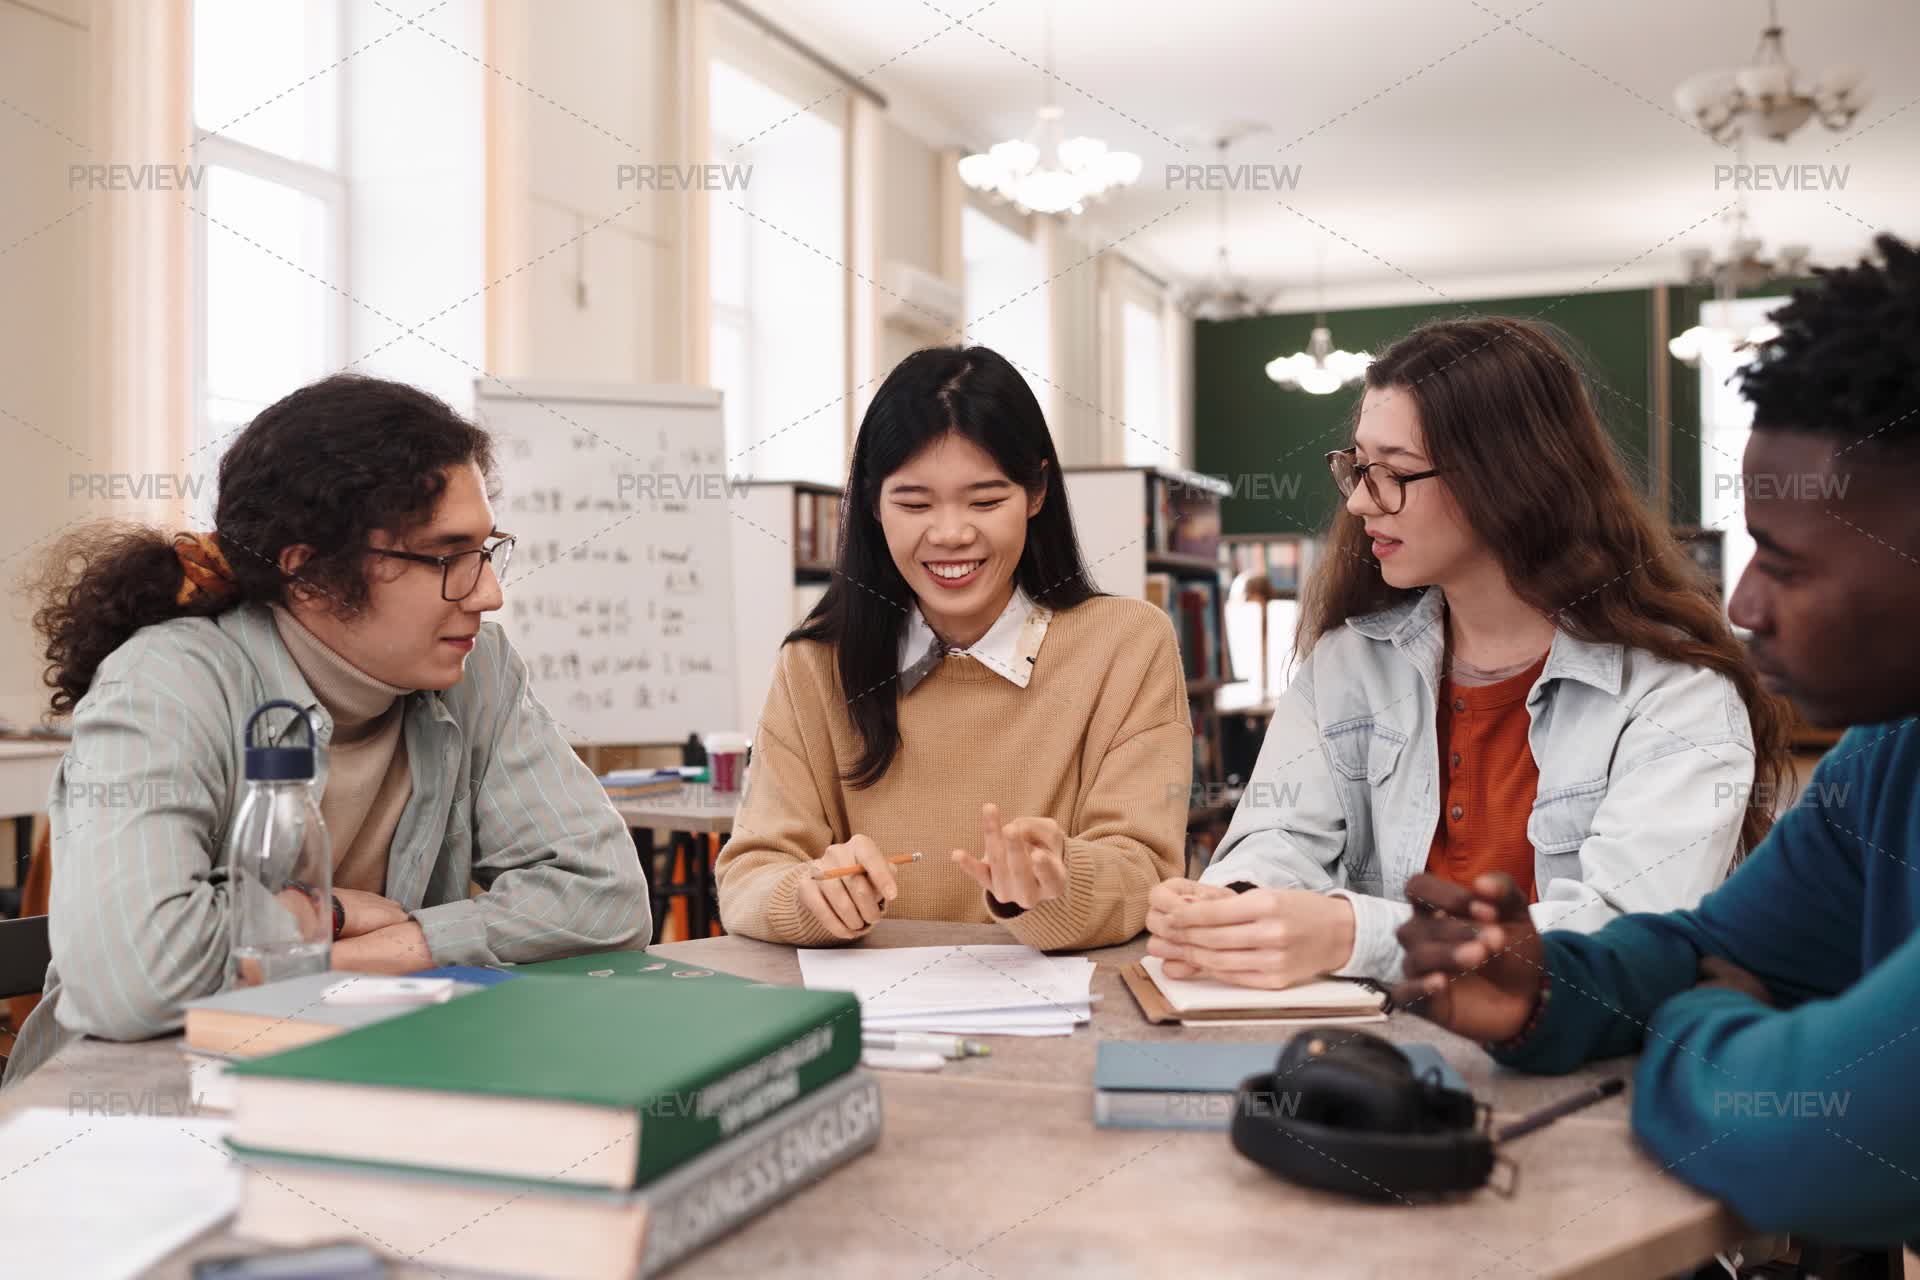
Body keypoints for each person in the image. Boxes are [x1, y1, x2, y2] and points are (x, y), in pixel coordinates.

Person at [1395, 234, 1920, 1246]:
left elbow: (1804, 1141)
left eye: (1787, 563)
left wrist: (1695, 1021)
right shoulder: (1889, 755)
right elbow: (1713, 946)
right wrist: (1549, 988)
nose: (1744, 603)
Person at [3, 375, 649, 1083]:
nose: (489, 593)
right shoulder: (167, 683)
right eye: (446, 557)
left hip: (359, 1074)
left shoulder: (480, 672)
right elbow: (132, 979)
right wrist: (331, 913)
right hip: (129, 1118)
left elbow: (605, 897)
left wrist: (366, 954)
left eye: (486, 551)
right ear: (309, 574)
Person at [1146, 316, 1790, 986]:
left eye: (1392, 472)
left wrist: (1352, 936)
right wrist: (1237, 906)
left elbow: (1628, 931)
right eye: (1357, 466)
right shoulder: (1347, 663)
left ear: (1510, 478)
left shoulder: (1677, 694)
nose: (1362, 501)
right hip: (1365, 1058)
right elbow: (1280, 839)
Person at [714, 345, 1189, 950]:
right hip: (872, 1023)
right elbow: (750, 875)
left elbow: (1144, 869)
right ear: (872, 504)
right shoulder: (815, 664)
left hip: (1066, 1024)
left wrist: (1054, 885)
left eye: (986, 501)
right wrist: (809, 896)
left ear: (1037, 492)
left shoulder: (1126, 644)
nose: (950, 534)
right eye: (913, 504)